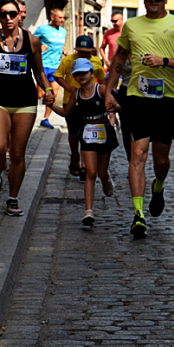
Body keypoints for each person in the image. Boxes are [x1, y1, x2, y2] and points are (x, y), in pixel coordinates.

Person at [104, 0, 174, 238]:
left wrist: (164, 61)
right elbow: (120, 58)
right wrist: (110, 90)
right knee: (138, 154)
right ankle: (138, 215)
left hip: (169, 100)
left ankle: (158, 185)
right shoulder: (132, 26)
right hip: (137, 98)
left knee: (160, 159)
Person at [0, 0, 55, 215]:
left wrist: (48, 90)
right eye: (3, 14)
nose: (8, 18)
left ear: (20, 15)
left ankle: (13, 198)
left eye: (12, 13)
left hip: (25, 101)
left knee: (18, 154)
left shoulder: (31, 41)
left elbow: (39, 71)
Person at [45, 58, 117, 225]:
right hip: (88, 135)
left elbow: (117, 106)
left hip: (105, 133)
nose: (81, 76)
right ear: (74, 77)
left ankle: (106, 179)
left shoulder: (102, 89)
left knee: (101, 172)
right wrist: (51, 105)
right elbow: (65, 112)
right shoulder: (76, 94)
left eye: (84, 72)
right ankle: (88, 211)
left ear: (92, 73)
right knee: (90, 172)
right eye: (77, 74)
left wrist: (113, 107)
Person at [55, 35, 106, 179]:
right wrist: (69, 88)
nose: (83, 54)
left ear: (92, 50)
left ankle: (85, 164)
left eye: (86, 51)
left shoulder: (96, 62)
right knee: (73, 132)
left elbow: (102, 79)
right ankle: (75, 156)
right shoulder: (68, 60)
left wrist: (104, 96)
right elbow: (58, 75)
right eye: (80, 51)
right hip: (71, 101)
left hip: (90, 101)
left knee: (87, 132)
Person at [33, 8, 68, 129]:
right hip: (42, 65)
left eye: (63, 18)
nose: (62, 20)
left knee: (53, 92)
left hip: (56, 66)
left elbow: (59, 45)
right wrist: (39, 47)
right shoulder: (42, 29)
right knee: (40, 94)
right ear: (52, 17)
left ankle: (45, 118)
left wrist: (64, 51)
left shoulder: (63, 31)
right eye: (60, 18)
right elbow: (31, 41)